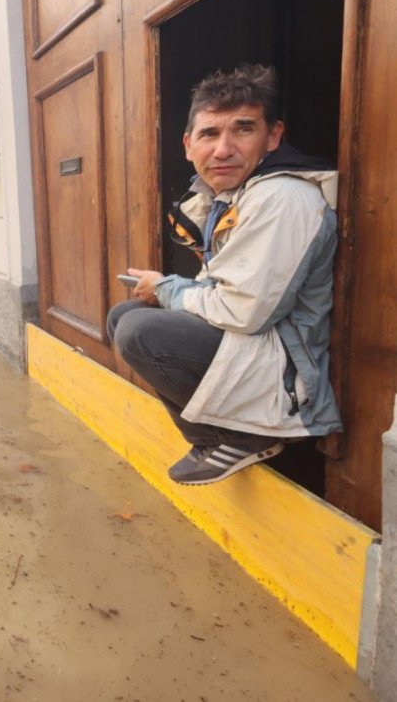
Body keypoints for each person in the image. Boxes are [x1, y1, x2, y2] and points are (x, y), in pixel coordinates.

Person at [108, 64, 341, 485]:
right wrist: (167, 291)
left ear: (273, 136)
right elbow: (227, 288)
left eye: (243, 130)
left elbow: (243, 311)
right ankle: (218, 439)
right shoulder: (234, 197)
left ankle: (239, 437)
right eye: (210, 134)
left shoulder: (283, 197)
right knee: (123, 316)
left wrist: (168, 289)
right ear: (188, 144)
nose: (223, 149)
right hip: (256, 350)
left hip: (286, 376)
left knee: (138, 332)